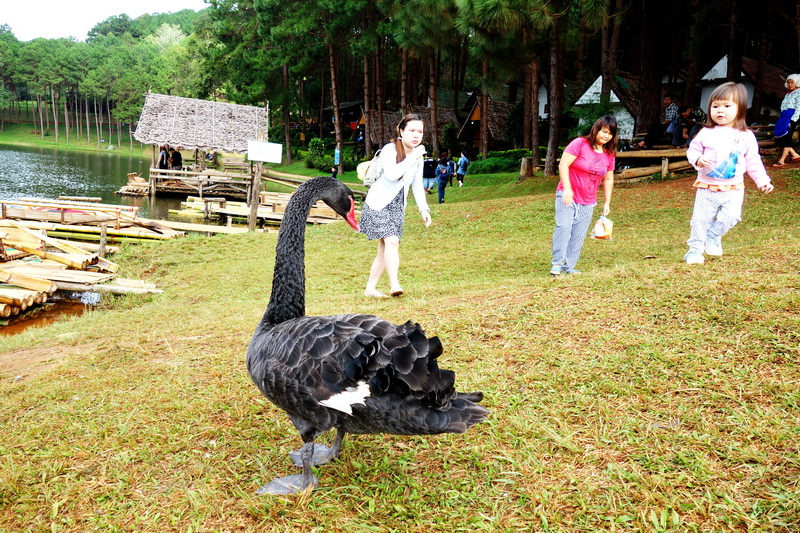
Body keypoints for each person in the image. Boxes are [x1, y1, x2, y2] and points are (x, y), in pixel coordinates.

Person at [683, 82, 774, 265]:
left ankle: (714, 234)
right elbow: (692, 150)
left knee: (732, 216)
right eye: (715, 106)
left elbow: (753, 160)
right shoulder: (706, 132)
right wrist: (698, 159)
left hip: (734, 188)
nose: (720, 111)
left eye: (727, 106)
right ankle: (694, 251)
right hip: (707, 187)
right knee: (700, 220)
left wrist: (762, 180)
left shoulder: (746, 135)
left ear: (739, 108)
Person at [360, 113, 432, 298]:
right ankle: (394, 285)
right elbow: (392, 175)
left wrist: (424, 209)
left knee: (384, 249)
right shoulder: (390, 149)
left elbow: (416, 185)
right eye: (412, 131)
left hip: (398, 205)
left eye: (420, 132)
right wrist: (413, 156)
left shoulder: (418, 157)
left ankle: (370, 288)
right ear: (401, 131)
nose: (416, 135)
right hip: (377, 203)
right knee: (391, 241)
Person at [550, 115, 617, 276]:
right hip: (567, 196)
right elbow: (563, 165)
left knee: (578, 234)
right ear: (596, 129)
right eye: (604, 131)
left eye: (610, 133)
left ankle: (569, 265)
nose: (606, 136)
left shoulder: (609, 154)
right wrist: (567, 188)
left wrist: (607, 203)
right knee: (564, 228)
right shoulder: (579, 143)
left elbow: (608, 179)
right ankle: (557, 264)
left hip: (588, 201)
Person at [773, 74, 800, 167]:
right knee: (781, 135)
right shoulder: (787, 94)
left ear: (796, 83)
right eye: (788, 82)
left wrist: (793, 120)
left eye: (792, 82)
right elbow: (783, 106)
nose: (790, 84)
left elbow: (799, 108)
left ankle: (782, 160)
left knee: (787, 137)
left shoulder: (799, 93)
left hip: (792, 116)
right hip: (784, 116)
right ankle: (795, 155)